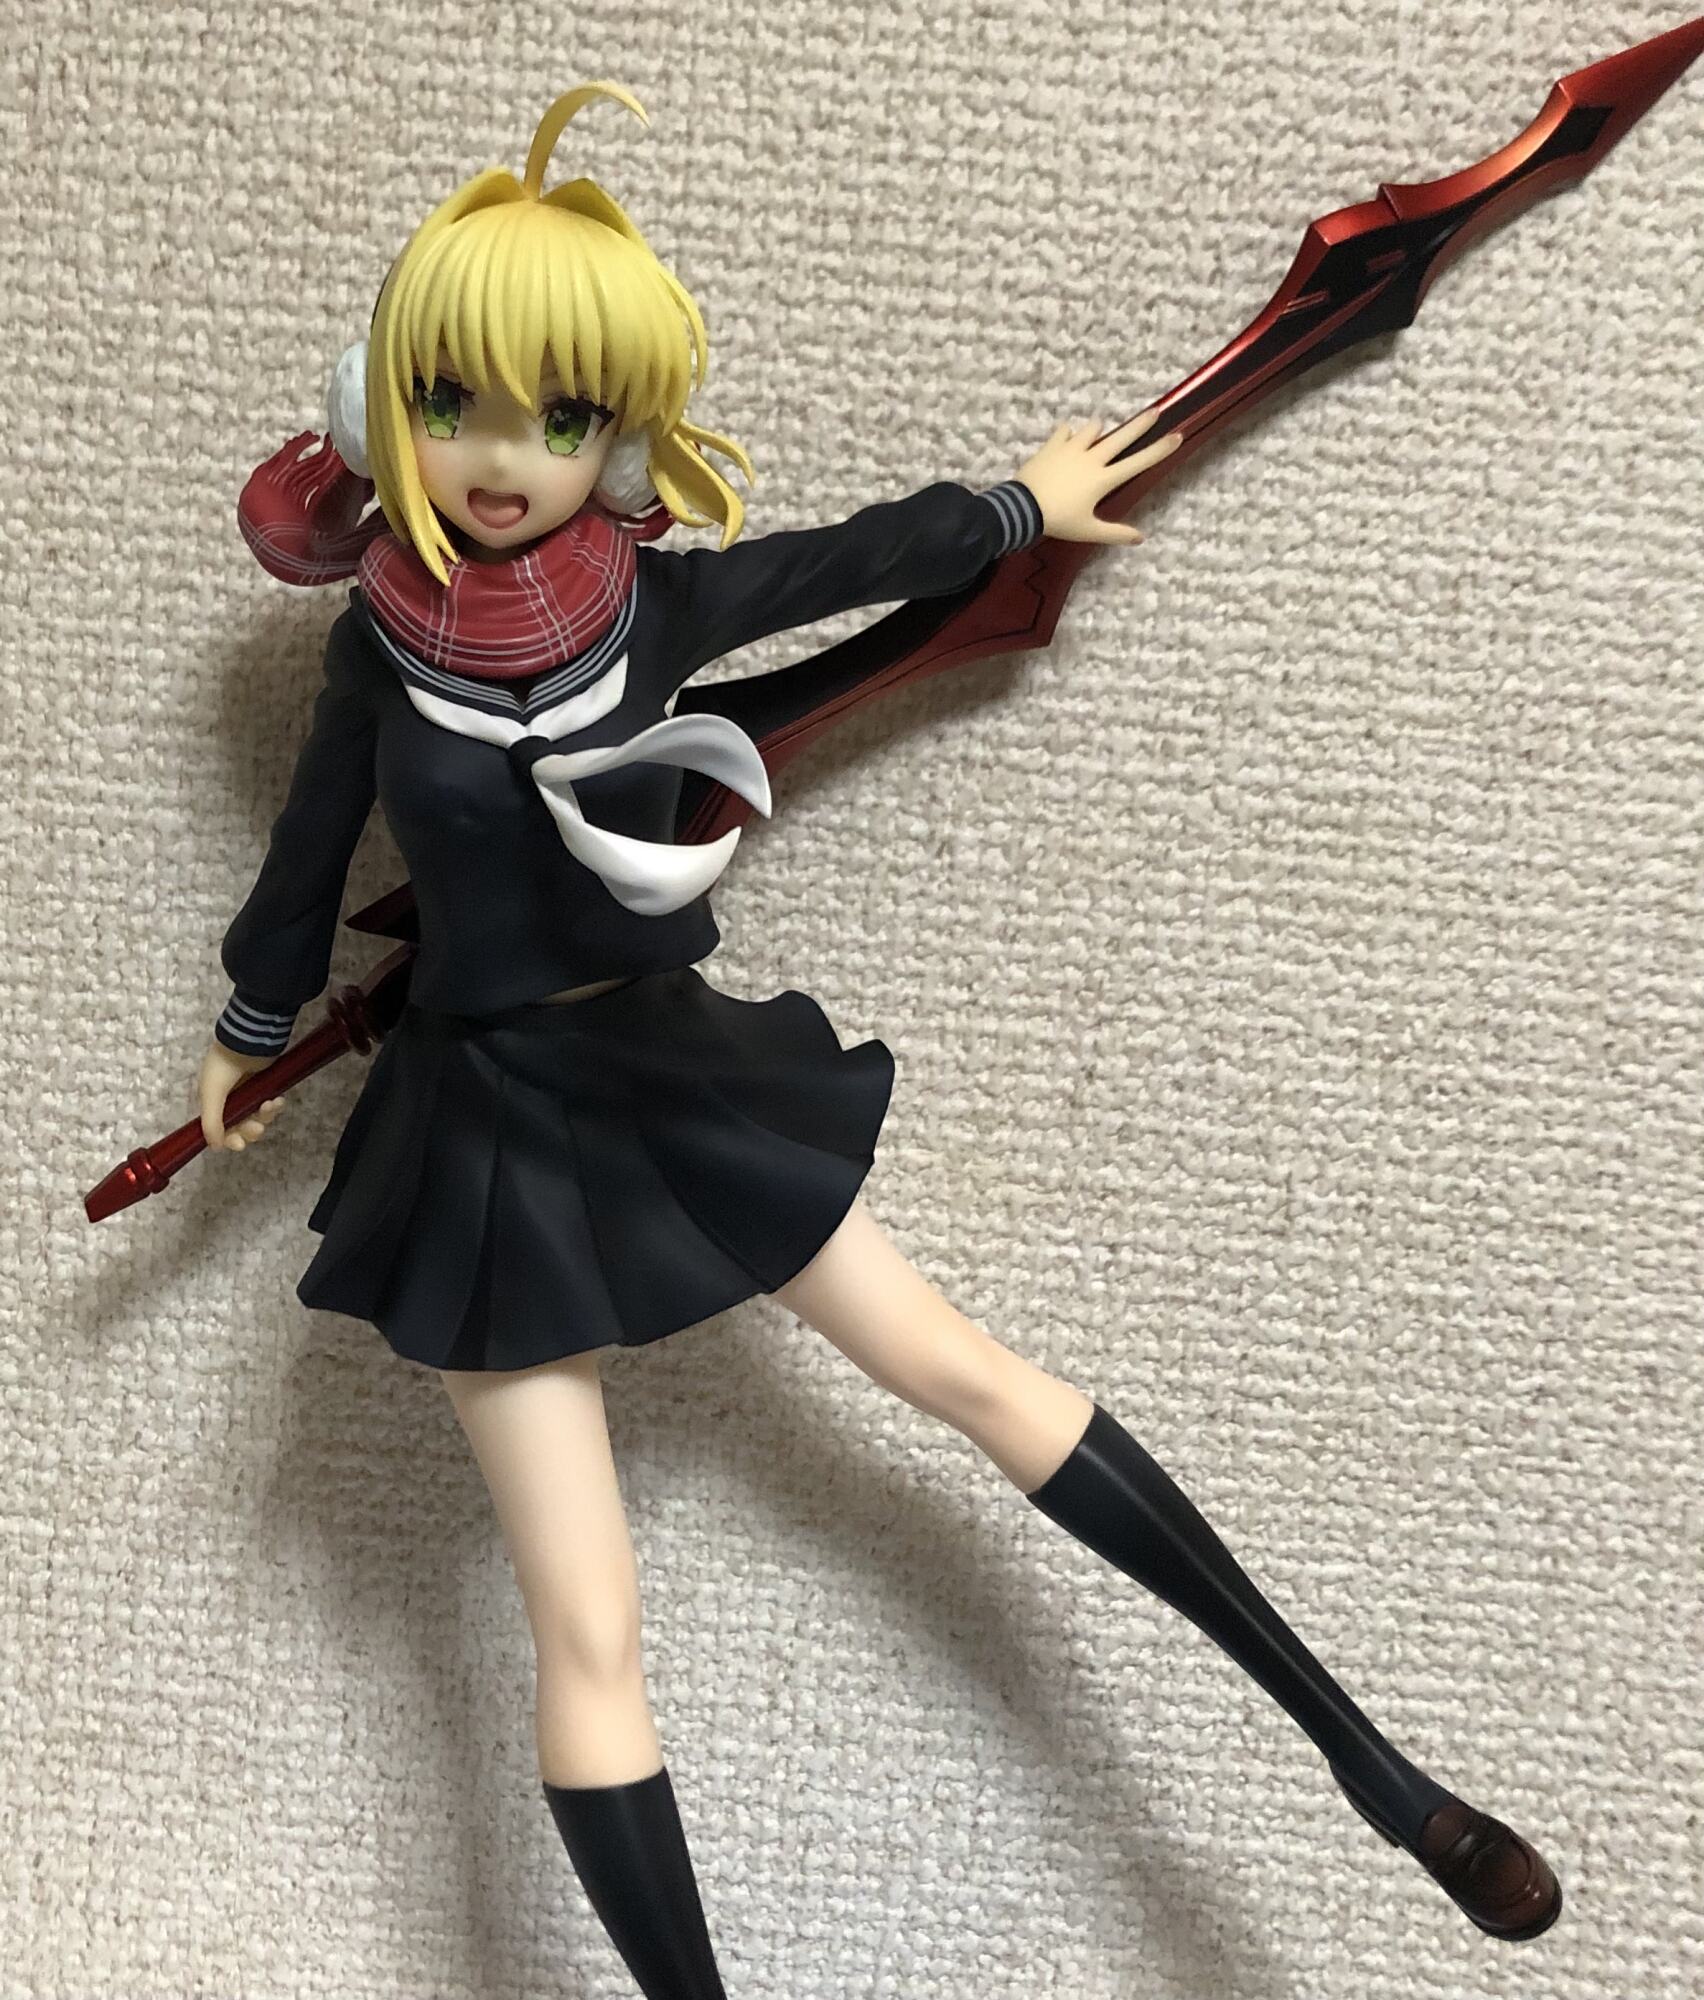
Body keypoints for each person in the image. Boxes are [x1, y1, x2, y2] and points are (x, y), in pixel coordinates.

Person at [197, 80, 1560, 1996]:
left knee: (966, 1377)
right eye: (451, 403)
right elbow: (307, 852)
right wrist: (250, 1025)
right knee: (587, 1625)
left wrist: (1018, 507)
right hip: (478, 1139)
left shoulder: (650, 607)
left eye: (558, 417)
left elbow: (851, 559)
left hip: (668, 1080)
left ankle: (1379, 1775)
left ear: (618, 433)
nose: (500, 458)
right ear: (380, 412)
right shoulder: (378, 647)